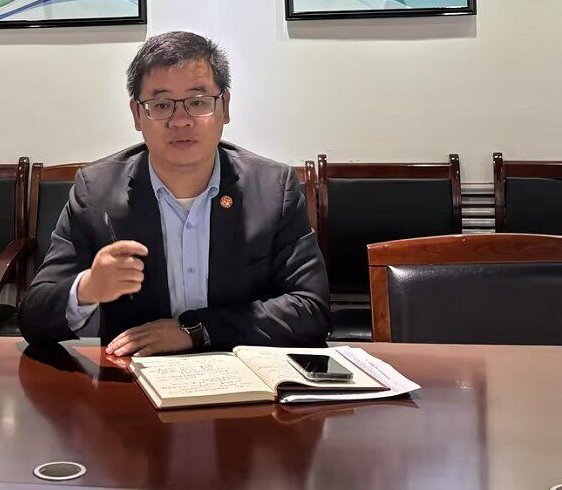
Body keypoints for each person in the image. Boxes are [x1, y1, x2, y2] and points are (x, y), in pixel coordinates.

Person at [18, 31, 329, 356]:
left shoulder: (273, 189)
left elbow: (311, 310)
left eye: (197, 102)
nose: (180, 121)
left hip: (243, 374)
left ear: (224, 107)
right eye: (162, 105)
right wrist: (87, 288)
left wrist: (198, 331)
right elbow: (33, 317)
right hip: (132, 376)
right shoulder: (97, 191)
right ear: (137, 114)